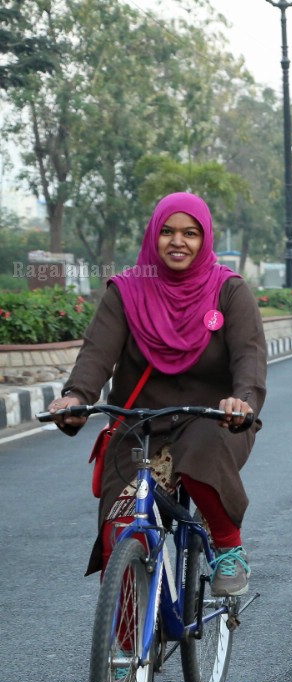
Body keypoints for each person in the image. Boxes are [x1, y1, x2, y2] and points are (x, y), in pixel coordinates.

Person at [47, 192, 266, 596]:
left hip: (213, 420)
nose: (177, 241)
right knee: (119, 529)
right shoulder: (127, 291)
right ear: (153, 236)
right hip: (141, 425)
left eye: (190, 233)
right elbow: (97, 354)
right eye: (167, 231)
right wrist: (76, 397)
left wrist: (243, 401)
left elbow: (249, 356)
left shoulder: (229, 291)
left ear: (205, 240)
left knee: (202, 454)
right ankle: (127, 648)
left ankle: (228, 546)